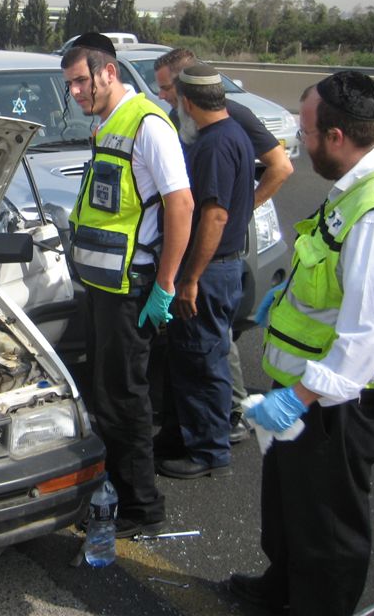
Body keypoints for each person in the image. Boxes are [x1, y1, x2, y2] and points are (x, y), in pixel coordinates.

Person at [230, 71, 374, 615]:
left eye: (305, 134)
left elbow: (367, 334)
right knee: (291, 506)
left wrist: (297, 401)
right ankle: (281, 587)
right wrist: (281, 294)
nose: (298, 146)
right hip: (310, 390)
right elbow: (329, 273)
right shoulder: (356, 182)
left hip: (339, 405)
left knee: (328, 527)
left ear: (336, 136)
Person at [62, 32, 193, 537]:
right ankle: (113, 489)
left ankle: (140, 507)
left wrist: (166, 284)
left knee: (125, 398)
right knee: (105, 392)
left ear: (108, 73)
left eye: (80, 81)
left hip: (131, 290)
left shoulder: (147, 126)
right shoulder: (108, 123)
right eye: (69, 83)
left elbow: (180, 204)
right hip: (103, 287)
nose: (74, 92)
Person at [154, 48, 294, 445]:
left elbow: (281, 168)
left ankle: (229, 417)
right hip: (194, 243)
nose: (161, 95)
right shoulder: (183, 120)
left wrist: (236, 212)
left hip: (216, 249)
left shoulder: (230, 122)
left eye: (166, 88)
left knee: (214, 341)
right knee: (199, 340)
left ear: (187, 87)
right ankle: (199, 420)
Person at [154, 64, 254, 478]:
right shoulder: (234, 134)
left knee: (203, 360)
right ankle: (184, 435)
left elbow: (213, 217)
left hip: (210, 272)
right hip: (217, 269)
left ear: (189, 103)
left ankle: (209, 451)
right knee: (191, 356)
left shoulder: (214, 145)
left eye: (176, 100)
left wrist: (190, 278)